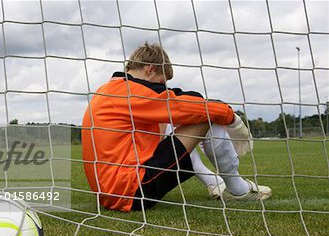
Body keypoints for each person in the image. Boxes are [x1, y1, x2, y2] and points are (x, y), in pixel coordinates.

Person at [81, 42, 271, 212]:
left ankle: (215, 184)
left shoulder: (108, 89)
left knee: (169, 120)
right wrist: (235, 122)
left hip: (110, 192)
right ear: (150, 69)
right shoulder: (131, 92)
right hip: (132, 190)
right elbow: (195, 106)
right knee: (205, 116)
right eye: (162, 83)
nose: (162, 89)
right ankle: (237, 190)